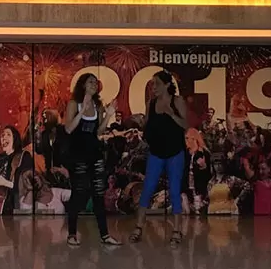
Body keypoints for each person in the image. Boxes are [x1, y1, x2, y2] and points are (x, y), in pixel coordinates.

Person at [61, 73, 119, 246]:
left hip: (94, 154)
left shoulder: (97, 105)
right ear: (83, 85)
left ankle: (105, 235)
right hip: (78, 155)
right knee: (79, 193)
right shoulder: (74, 104)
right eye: (90, 81)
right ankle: (71, 234)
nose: (94, 84)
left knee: (98, 194)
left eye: (96, 82)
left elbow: (98, 132)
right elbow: (69, 129)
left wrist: (108, 115)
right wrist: (82, 110)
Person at [132, 70, 188, 245]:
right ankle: (139, 227)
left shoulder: (177, 101)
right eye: (152, 84)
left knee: (174, 190)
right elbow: (148, 127)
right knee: (147, 189)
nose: (153, 87)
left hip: (175, 152)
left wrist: (171, 113)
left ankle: (177, 230)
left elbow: (185, 125)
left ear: (167, 85)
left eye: (156, 83)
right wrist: (140, 123)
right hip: (156, 152)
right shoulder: (151, 103)